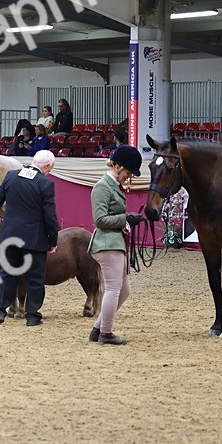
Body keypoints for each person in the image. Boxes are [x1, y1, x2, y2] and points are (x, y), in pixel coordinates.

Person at [0, 149, 60, 327]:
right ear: (47, 165)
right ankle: (32, 315)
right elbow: (50, 216)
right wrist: (53, 240)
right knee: (35, 277)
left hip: (10, 235)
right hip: (35, 238)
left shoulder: (11, 176)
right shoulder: (45, 183)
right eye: (50, 169)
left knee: (7, 273)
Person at [89, 146, 145, 346]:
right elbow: (100, 220)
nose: (129, 177)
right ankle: (106, 333)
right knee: (113, 289)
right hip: (106, 243)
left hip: (115, 242)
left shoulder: (113, 186)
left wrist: (128, 220)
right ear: (118, 166)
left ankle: (98, 329)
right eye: (128, 172)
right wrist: (125, 218)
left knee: (124, 291)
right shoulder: (102, 187)